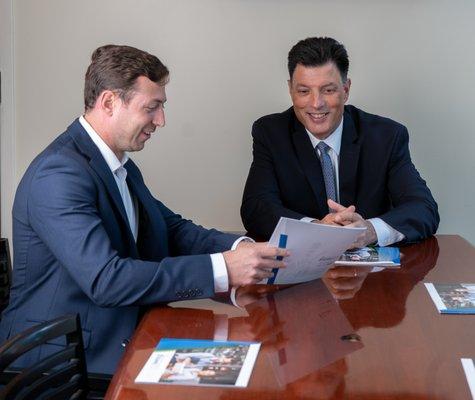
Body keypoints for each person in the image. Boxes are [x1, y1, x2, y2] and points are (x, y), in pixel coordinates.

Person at [0, 44, 288, 375]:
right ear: (109, 102)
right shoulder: (58, 174)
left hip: (126, 335)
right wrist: (222, 270)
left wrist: (244, 250)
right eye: (151, 108)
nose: (161, 121)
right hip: (65, 363)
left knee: (249, 364)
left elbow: (172, 229)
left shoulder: (120, 164)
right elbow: (107, 280)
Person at [241, 37, 439, 247]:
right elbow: (256, 208)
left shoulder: (387, 136)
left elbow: (423, 208)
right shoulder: (271, 133)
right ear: (291, 90)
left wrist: (369, 231)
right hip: (299, 271)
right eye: (303, 91)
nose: (316, 103)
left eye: (328, 90)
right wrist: (316, 228)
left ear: (345, 90)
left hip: (374, 275)